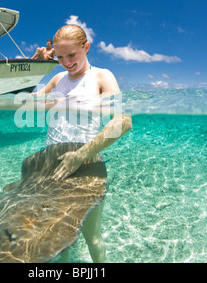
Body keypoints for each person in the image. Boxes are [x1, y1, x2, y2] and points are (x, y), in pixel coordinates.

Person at [32, 24, 132, 262]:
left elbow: (123, 121)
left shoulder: (101, 76)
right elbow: (30, 102)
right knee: (60, 236)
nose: (66, 62)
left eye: (72, 55)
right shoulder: (57, 78)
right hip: (54, 166)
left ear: (86, 47)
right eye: (59, 57)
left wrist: (79, 155)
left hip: (86, 165)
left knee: (91, 237)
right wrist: (39, 65)